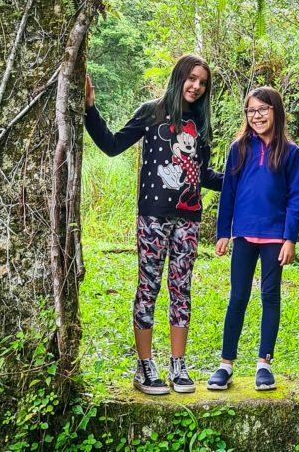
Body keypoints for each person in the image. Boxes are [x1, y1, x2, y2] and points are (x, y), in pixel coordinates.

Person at [84, 54, 223, 395]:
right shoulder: (151, 112)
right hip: (153, 216)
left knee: (182, 289)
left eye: (203, 83)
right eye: (192, 78)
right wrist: (89, 109)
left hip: (189, 219)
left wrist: (244, 177)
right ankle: (145, 366)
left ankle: (178, 365)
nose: (196, 86)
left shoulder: (200, 124)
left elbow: (203, 175)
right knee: (148, 287)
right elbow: (112, 145)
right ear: (179, 77)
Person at [207, 86, 299, 392]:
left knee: (269, 296)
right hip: (244, 236)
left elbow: (296, 198)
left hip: (275, 237)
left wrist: (290, 238)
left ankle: (264, 364)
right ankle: (225, 364)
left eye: (263, 110)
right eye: (251, 111)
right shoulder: (239, 148)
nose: (257, 116)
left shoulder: (290, 152)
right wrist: (224, 232)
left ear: (276, 111)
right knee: (238, 297)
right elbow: (229, 194)